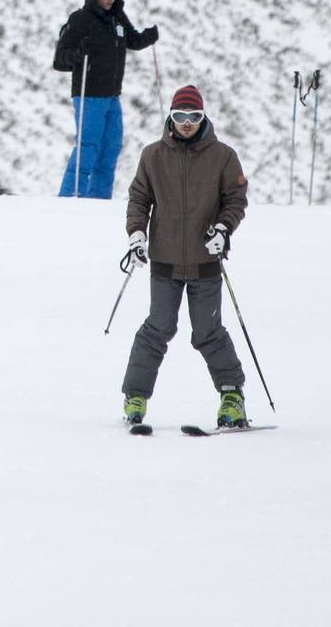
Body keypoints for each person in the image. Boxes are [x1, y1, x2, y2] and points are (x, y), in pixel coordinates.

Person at [119, 85, 250, 430]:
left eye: (194, 116)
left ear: (203, 117)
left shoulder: (223, 156)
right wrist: (136, 234)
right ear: (171, 118)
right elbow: (138, 199)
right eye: (180, 116)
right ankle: (135, 397)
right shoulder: (152, 156)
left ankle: (232, 396)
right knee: (157, 328)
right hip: (164, 263)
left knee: (208, 331)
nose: (187, 123)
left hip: (205, 263)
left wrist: (223, 230)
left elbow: (235, 200)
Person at [53, 0, 160, 198]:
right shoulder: (80, 20)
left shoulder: (117, 17)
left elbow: (132, 40)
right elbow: (60, 60)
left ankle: (98, 199)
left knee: (110, 148)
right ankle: (70, 196)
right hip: (88, 94)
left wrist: (148, 38)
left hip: (112, 95)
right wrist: (79, 53)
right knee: (87, 147)